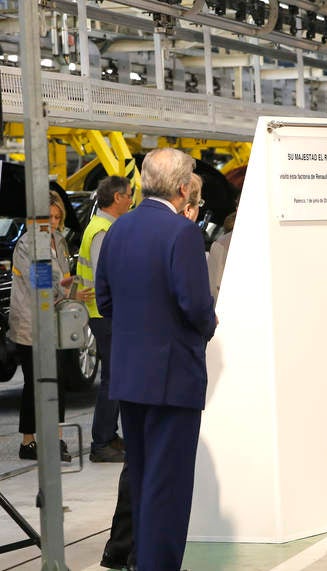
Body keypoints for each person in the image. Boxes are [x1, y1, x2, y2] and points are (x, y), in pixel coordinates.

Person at [96, 148, 216, 571]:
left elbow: (105, 299)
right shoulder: (181, 233)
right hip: (173, 377)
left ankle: (140, 559)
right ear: (184, 188)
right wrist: (208, 327)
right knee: (169, 483)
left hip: (130, 376)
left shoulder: (118, 229)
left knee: (144, 475)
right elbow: (196, 306)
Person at [11, 191, 92, 462]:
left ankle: (52, 440)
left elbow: (58, 278)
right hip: (31, 327)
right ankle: (31, 441)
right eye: (49, 217)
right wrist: (68, 294)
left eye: (57, 217)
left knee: (54, 383)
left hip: (55, 323)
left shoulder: (59, 240)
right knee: (38, 384)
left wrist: (69, 286)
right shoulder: (27, 244)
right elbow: (39, 285)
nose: (54, 222)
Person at [78, 175, 133, 463]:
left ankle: (109, 436)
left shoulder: (105, 227)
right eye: (128, 195)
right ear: (117, 199)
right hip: (105, 313)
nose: (131, 200)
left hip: (105, 312)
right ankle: (101, 442)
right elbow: (105, 275)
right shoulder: (101, 231)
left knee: (116, 377)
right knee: (113, 379)